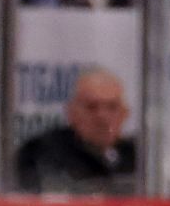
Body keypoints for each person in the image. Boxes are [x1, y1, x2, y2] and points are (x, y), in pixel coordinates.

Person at [13, 66, 137, 194]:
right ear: (71, 113)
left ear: (125, 114)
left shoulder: (139, 156)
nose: (102, 117)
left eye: (112, 107)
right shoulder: (41, 154)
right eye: (91, 107)